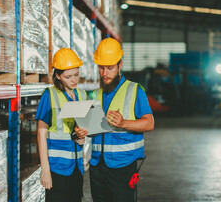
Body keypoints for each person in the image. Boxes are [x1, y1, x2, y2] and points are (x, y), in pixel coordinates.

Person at [89, 38, 154, 202]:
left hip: (123, 166)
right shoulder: (96, 94)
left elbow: (149, 123)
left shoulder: (134, 90)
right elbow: (95, 129)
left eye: (110, 68)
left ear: (120, 65)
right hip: (97, 165)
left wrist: (124, 123)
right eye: (101, 68)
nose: (105, 73)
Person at [36, 48, 88, 202]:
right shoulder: (49, 95)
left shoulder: (82, 95)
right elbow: (41, 134)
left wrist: (81, 138)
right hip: (57, 168)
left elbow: (80, 129)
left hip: (77, 167)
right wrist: (45, 170)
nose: (74, 80)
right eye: (68, 76)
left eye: (76, 75)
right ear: (58, 76)